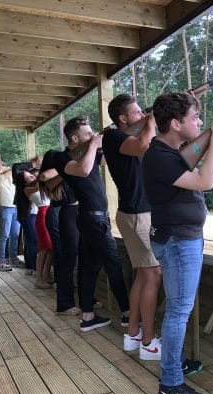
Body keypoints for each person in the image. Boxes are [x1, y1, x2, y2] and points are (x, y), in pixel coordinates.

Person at [143, 92, 213, 394]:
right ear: (175, 124)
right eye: (195, 118)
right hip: (178, 241)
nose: (199, 121)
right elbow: (206, 181)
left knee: (177, 309)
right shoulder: (160, 156)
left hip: (181, 238)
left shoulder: (173, 150)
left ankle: (177, 362)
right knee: (179, 312)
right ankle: (170, 385)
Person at [52, 116, 130, 331]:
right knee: (113, 264)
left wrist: (109, 138)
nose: (92, 135)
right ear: (75, 138)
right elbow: (84, 170)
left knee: (89, 267)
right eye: (87, 134)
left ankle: (87, 316)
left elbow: (107, 160)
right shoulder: (62, 158)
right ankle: (128, 314)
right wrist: (94, 144)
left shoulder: (88, 153)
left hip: (93, 218)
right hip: (93, 219)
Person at [103, 94, 162, 360]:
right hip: (139, 214)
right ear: (122, 118)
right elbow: (142, 146)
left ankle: (133, 334)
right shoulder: (113, 136)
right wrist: (151, 121)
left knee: (143, 274)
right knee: (153, 274)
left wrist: (149, 121)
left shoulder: (124, 136)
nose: (142, 115)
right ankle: (149, 343)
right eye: (137, 112)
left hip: (136, 213)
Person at [39, 150, 81, 315]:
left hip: (67, 213)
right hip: (59, 213)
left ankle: (71, 295)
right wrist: (65, 168)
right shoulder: (51, 174)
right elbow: (44, 177)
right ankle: (64, 301)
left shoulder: (62, 173)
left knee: (66, 256)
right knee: (63, 256)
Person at [21, 169, 54, 289]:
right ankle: (39, 278)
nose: (31, 178)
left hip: (50, 213)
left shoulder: (41, 185)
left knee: (51, 248)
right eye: (27, 178)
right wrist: (42, 176)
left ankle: (46, 275)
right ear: (24, 183)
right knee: (44, 248)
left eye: (31, 176)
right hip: (43, 215)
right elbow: (39, 186)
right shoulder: (27, 189)